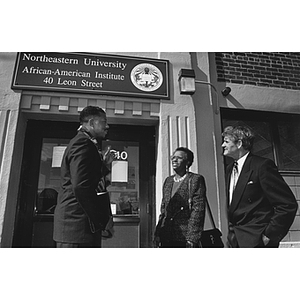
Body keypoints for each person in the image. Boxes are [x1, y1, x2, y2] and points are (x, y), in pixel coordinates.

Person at [222, 125, 298, 248]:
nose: (222, 145)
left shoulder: (262, 166)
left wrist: (269, 235)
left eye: (226, 142)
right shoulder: (229, 169)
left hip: (257, 240)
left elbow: (287, 205)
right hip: (234, 241)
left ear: (239, 143)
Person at [53, 106, 115, 248]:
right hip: (76, 226)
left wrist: (103, 165)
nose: (107, 126)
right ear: (92, 123)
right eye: (104, 121)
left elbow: (88, 179)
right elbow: (81, 186)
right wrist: (100, 221)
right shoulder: (82, 143)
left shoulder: (85, 142)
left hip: (79, 227)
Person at [154, 147, 206, 248]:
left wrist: (192, 238)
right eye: (173, 157)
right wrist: (158, 233)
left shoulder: (195, 180)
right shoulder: (168, 181)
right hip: (166, 235)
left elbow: (198, 210)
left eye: (179, 158)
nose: (174, 159)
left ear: (187, 162)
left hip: (184, 237)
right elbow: (164, 210)